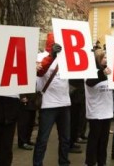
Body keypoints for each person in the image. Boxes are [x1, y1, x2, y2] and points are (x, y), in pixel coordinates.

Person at [33, 33, 71, 166]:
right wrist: (52, 56)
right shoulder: (41, 57)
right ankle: (37, 163)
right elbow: (40, 71)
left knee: (65, 139)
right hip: (48, 105)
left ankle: (64, 162)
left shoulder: (66, 58)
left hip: (64, 103)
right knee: (43, 139)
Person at [84, 49, 113, 166]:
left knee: (104, 140)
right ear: (97, 58)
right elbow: (90, 82)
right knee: (94, 140)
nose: (106, 59)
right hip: (96, 112)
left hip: (107, 112)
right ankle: (90, 162)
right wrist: (103, 74)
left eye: (106, 57)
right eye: (103, 57)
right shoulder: (91, 72)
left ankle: (102, 162)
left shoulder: (108, 71)